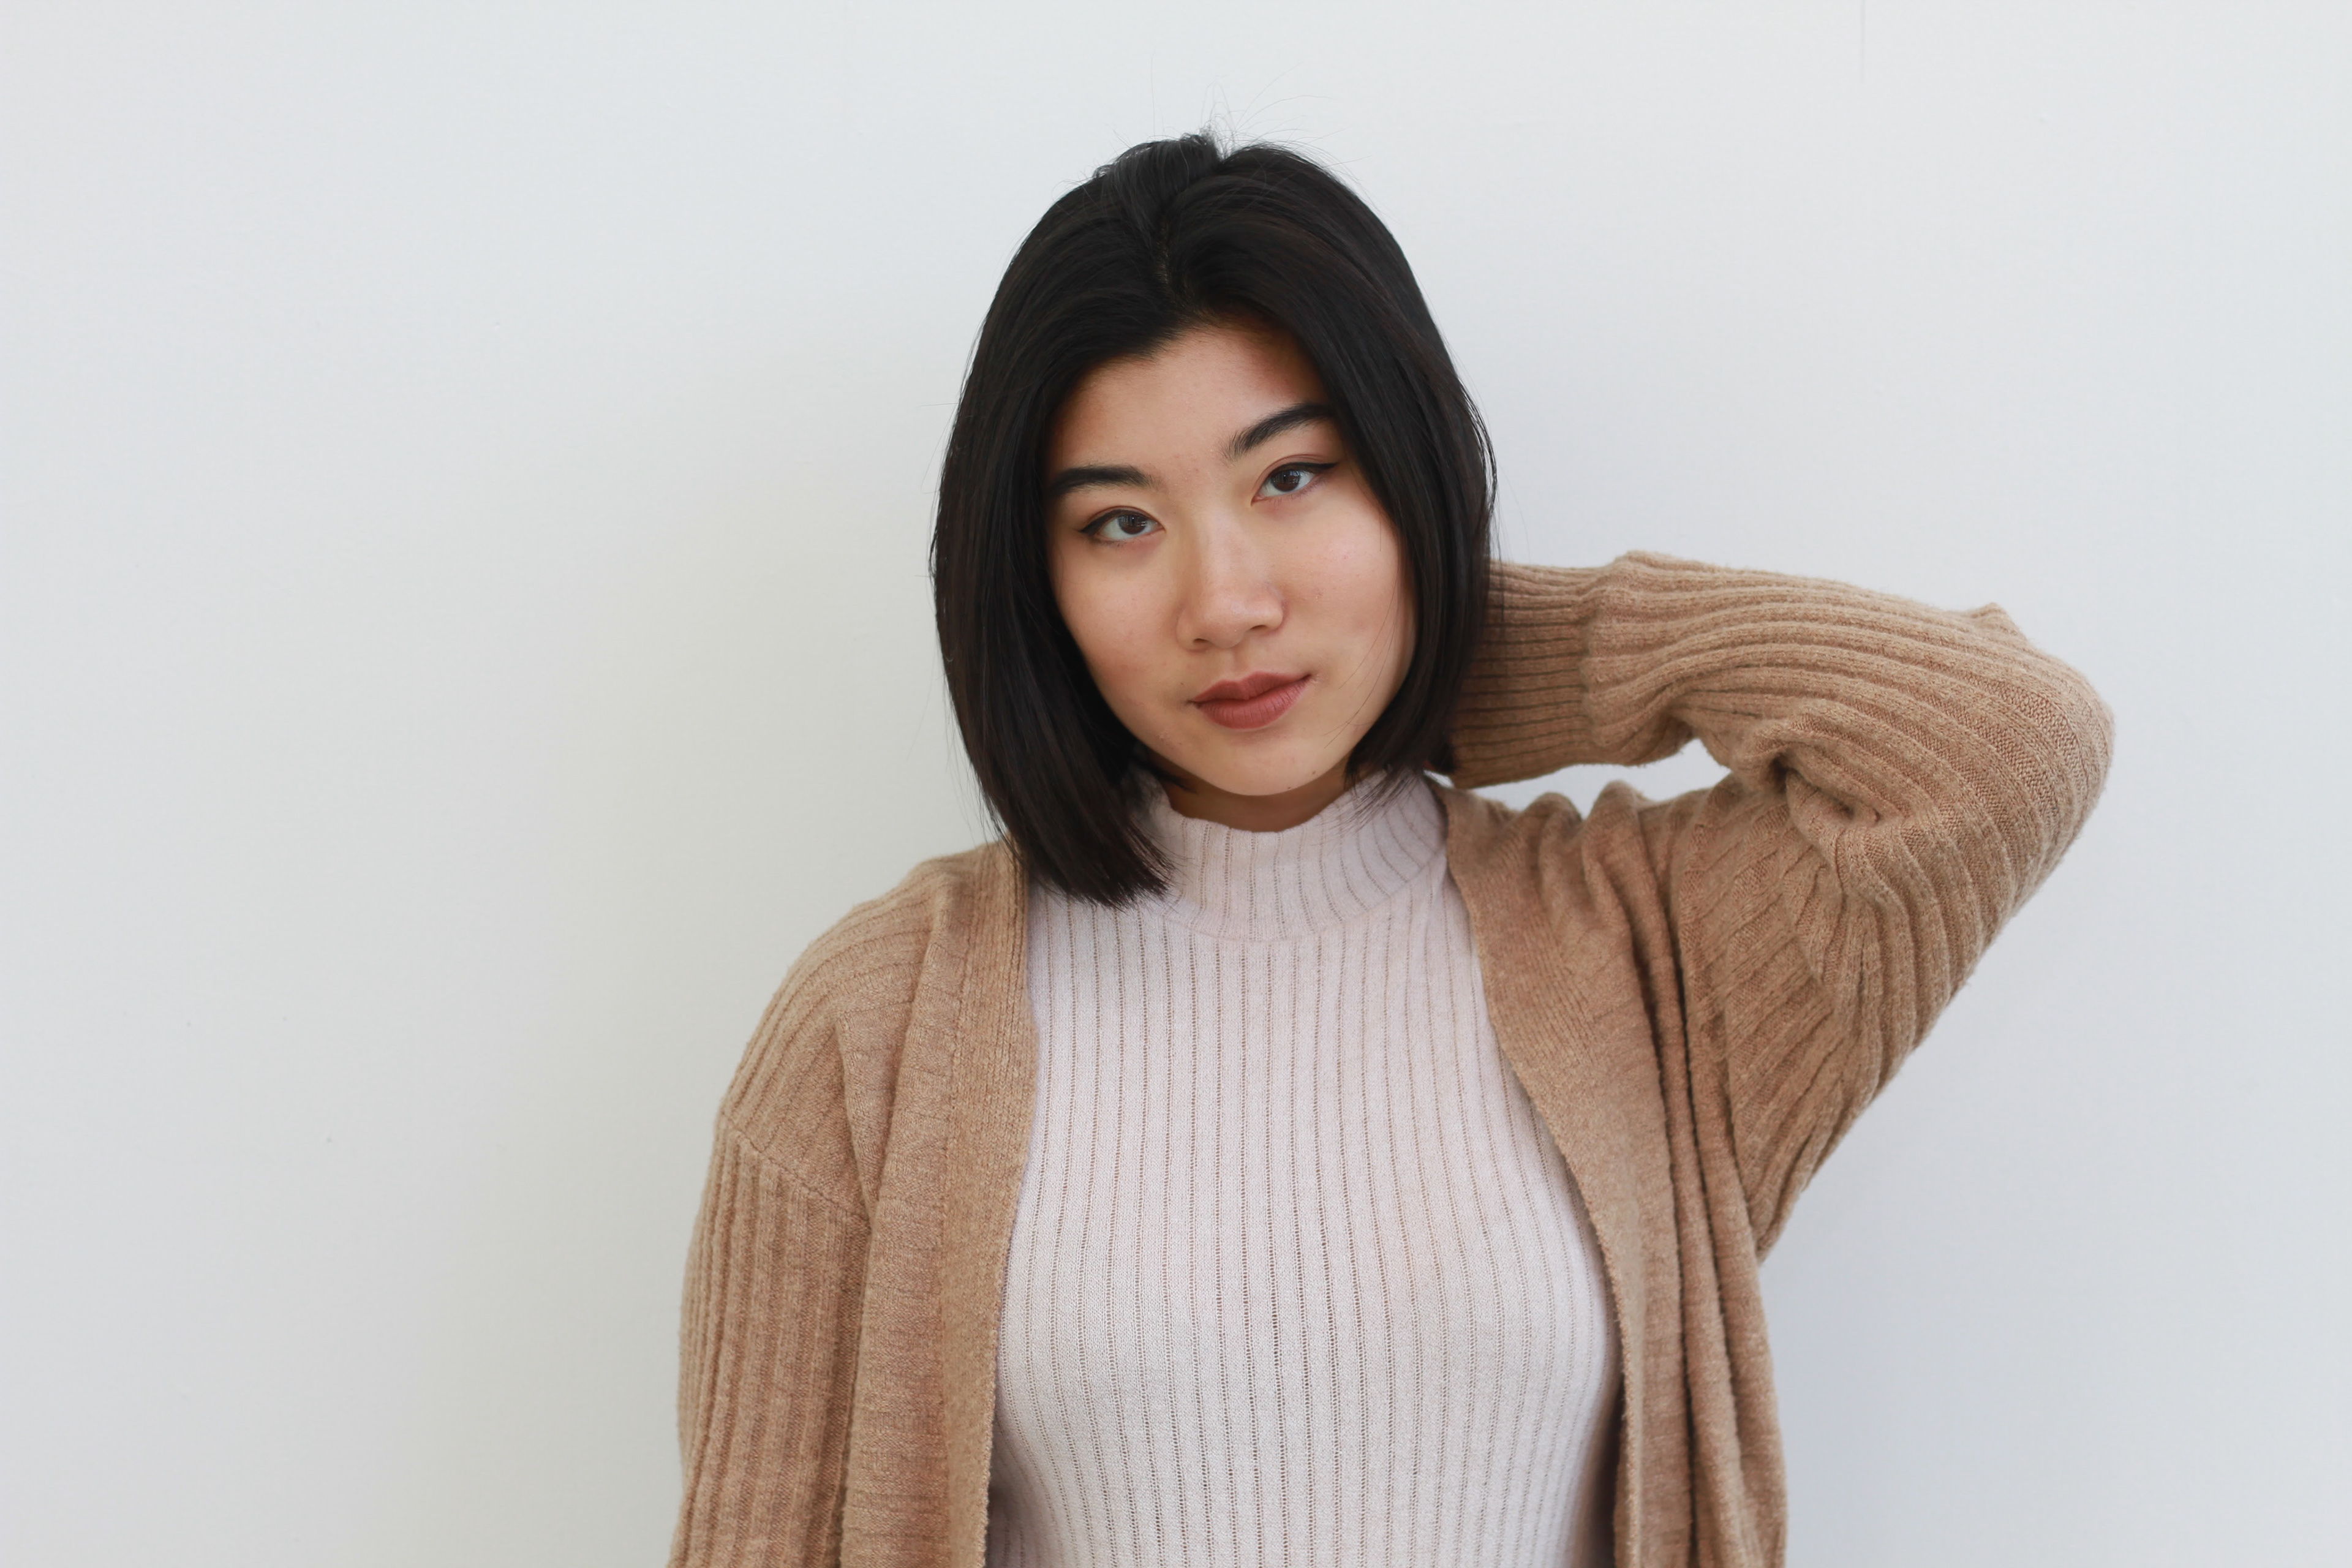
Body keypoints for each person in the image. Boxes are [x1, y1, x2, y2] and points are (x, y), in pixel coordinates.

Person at [665, 134, 2112, 1568]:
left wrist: (1462, 639)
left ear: (1409, 478)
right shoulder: (877, 1028)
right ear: (1035, 582)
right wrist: (1372, 633)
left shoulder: (1648, 951)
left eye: (1293, 477)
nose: (1225, 602)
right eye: (1121, 521)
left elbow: (2009, 738)